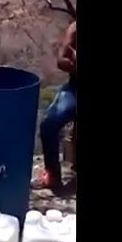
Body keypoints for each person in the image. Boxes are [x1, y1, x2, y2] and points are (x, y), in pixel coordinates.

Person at [39, 20, 77, 190]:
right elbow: (61, 59)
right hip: (74, 89)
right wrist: (69, 63)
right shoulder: (75, 29)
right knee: (49, 125)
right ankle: (53, 175)